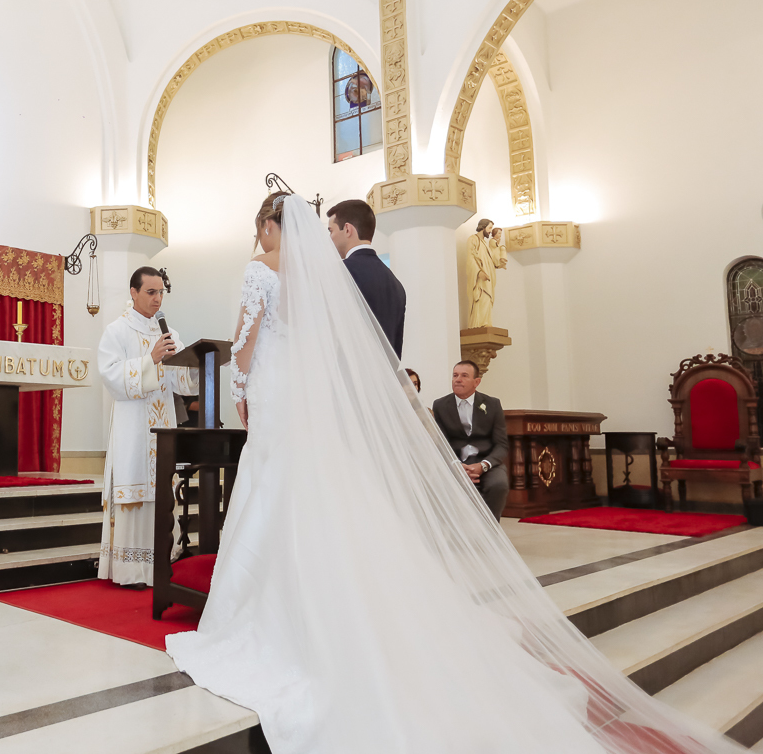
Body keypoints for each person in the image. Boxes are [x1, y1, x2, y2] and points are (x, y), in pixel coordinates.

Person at [166, 193, 744, 754]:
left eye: (260, 228)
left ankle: (271, 608)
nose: (260, 238)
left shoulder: (260, 269)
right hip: (312, 398)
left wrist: (240, 388)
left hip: (276, 392)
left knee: (274, 491)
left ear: (269, 226)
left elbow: (242, 345)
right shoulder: (323, 277)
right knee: (317, 493)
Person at [96, 266, 199, 588]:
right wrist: (150, 360)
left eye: (161, 293)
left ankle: (160, 563)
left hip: (163, 422)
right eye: (151, 292)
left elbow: (181, 380)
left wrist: (199, 365)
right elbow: (110, 376)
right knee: (136, 489)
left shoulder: (168, 332)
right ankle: (130, 571)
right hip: (133, 424)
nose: (157, 299)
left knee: (161, 490)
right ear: (134, 293)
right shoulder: (117, 330)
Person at [327, 198, 406, 358]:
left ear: (347, 229)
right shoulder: (396, 285)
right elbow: (395, 349)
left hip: (347, 377)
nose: (330, 238)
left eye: (331, 231)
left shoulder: (340, 272)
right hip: (383, 381)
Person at [432, 360, 510, 519]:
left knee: (499, 485)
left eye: (464, 376)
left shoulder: (492, 404)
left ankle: (490, 533)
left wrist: (483, 465)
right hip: (454, 462)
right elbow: (441, 442)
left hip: (487, 461)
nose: (457, 379)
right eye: (455, 375)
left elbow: (501, 445)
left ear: (477, 382)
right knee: (439, 484)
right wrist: (456, 465)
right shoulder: (440, 405)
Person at [465, 218, 508, 329]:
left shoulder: (485, 244)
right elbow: (471, 258)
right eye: (489, 228)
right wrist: (479, 273)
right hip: (480, 281)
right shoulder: (473, 239)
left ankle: (486, 324)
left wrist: (499, 263)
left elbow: (491, 260)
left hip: (488, 281)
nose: (490, 231)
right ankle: (479, 325)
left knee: (487, 301)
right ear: (483, 227)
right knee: (481, 300)